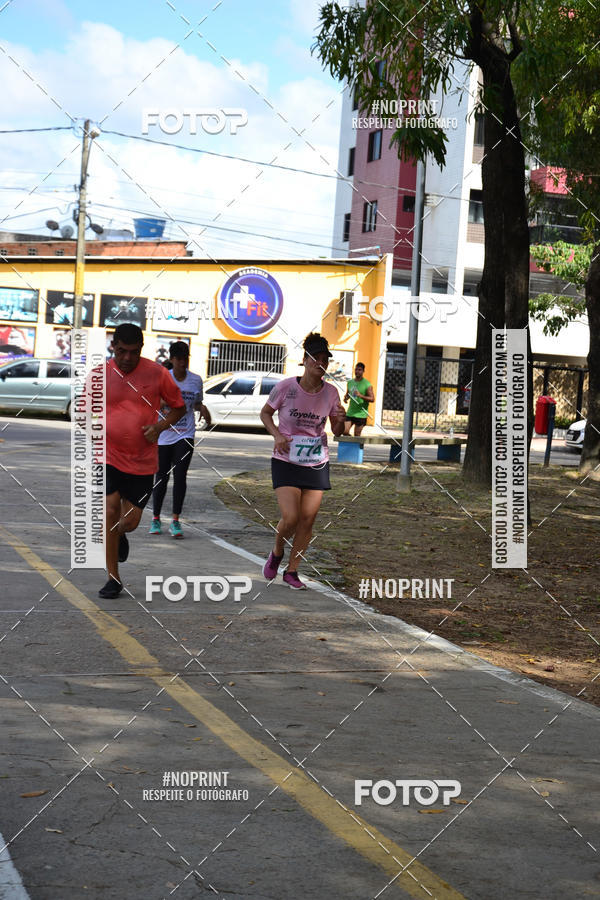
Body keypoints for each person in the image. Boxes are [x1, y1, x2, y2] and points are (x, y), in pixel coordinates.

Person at [100, 323, 186, 599]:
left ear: (141, 349)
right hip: (109, 455)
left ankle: (119, 534)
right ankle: (113, 578)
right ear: (113, 346)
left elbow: (179, 408)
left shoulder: (157, 373)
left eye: (133, 352)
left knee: (131, 522)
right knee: (110, 511)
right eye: (121, 351)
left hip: (142, 460)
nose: (127, 357)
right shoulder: (99, 375)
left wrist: (159, 427)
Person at [260, 332, 345, 589]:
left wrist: (341, 420)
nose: (321, 363)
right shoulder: (286, 387)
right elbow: (265, 413)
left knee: (308, 519)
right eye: (316, 358)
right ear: (305, 360)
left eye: (325, 360)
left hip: (316, 461)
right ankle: (277, 552)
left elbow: (338, 431)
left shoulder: (331, 393)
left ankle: (292, 571)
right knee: (291, 516)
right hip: (286, 458)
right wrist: (277, 435)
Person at [150, 341, 204, 538]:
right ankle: (156, 518)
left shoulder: (196, 380)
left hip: (185, 434)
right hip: (164, 434)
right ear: (172, 360)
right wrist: (165, 401)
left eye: (185, 359)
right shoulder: (163, 378)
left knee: (180, 476)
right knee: (161, 477)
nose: (183, 363)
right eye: (179, 359)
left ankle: (175, 521)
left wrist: (202, 409)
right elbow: (151, 402)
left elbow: (197, 403)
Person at [343, 362, 374, 437]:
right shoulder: (350, 382)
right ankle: (350, 443)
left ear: (363, 371)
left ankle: (357, 444)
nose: (357, 371)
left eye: (359, 370)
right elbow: (348, 394)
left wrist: (361, 396)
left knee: (357, 435)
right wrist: (346, 398)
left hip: (361, 414)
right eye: (356, 369)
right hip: (350, 412)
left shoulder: (367, 384)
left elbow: (372, 399)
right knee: (345, 431)